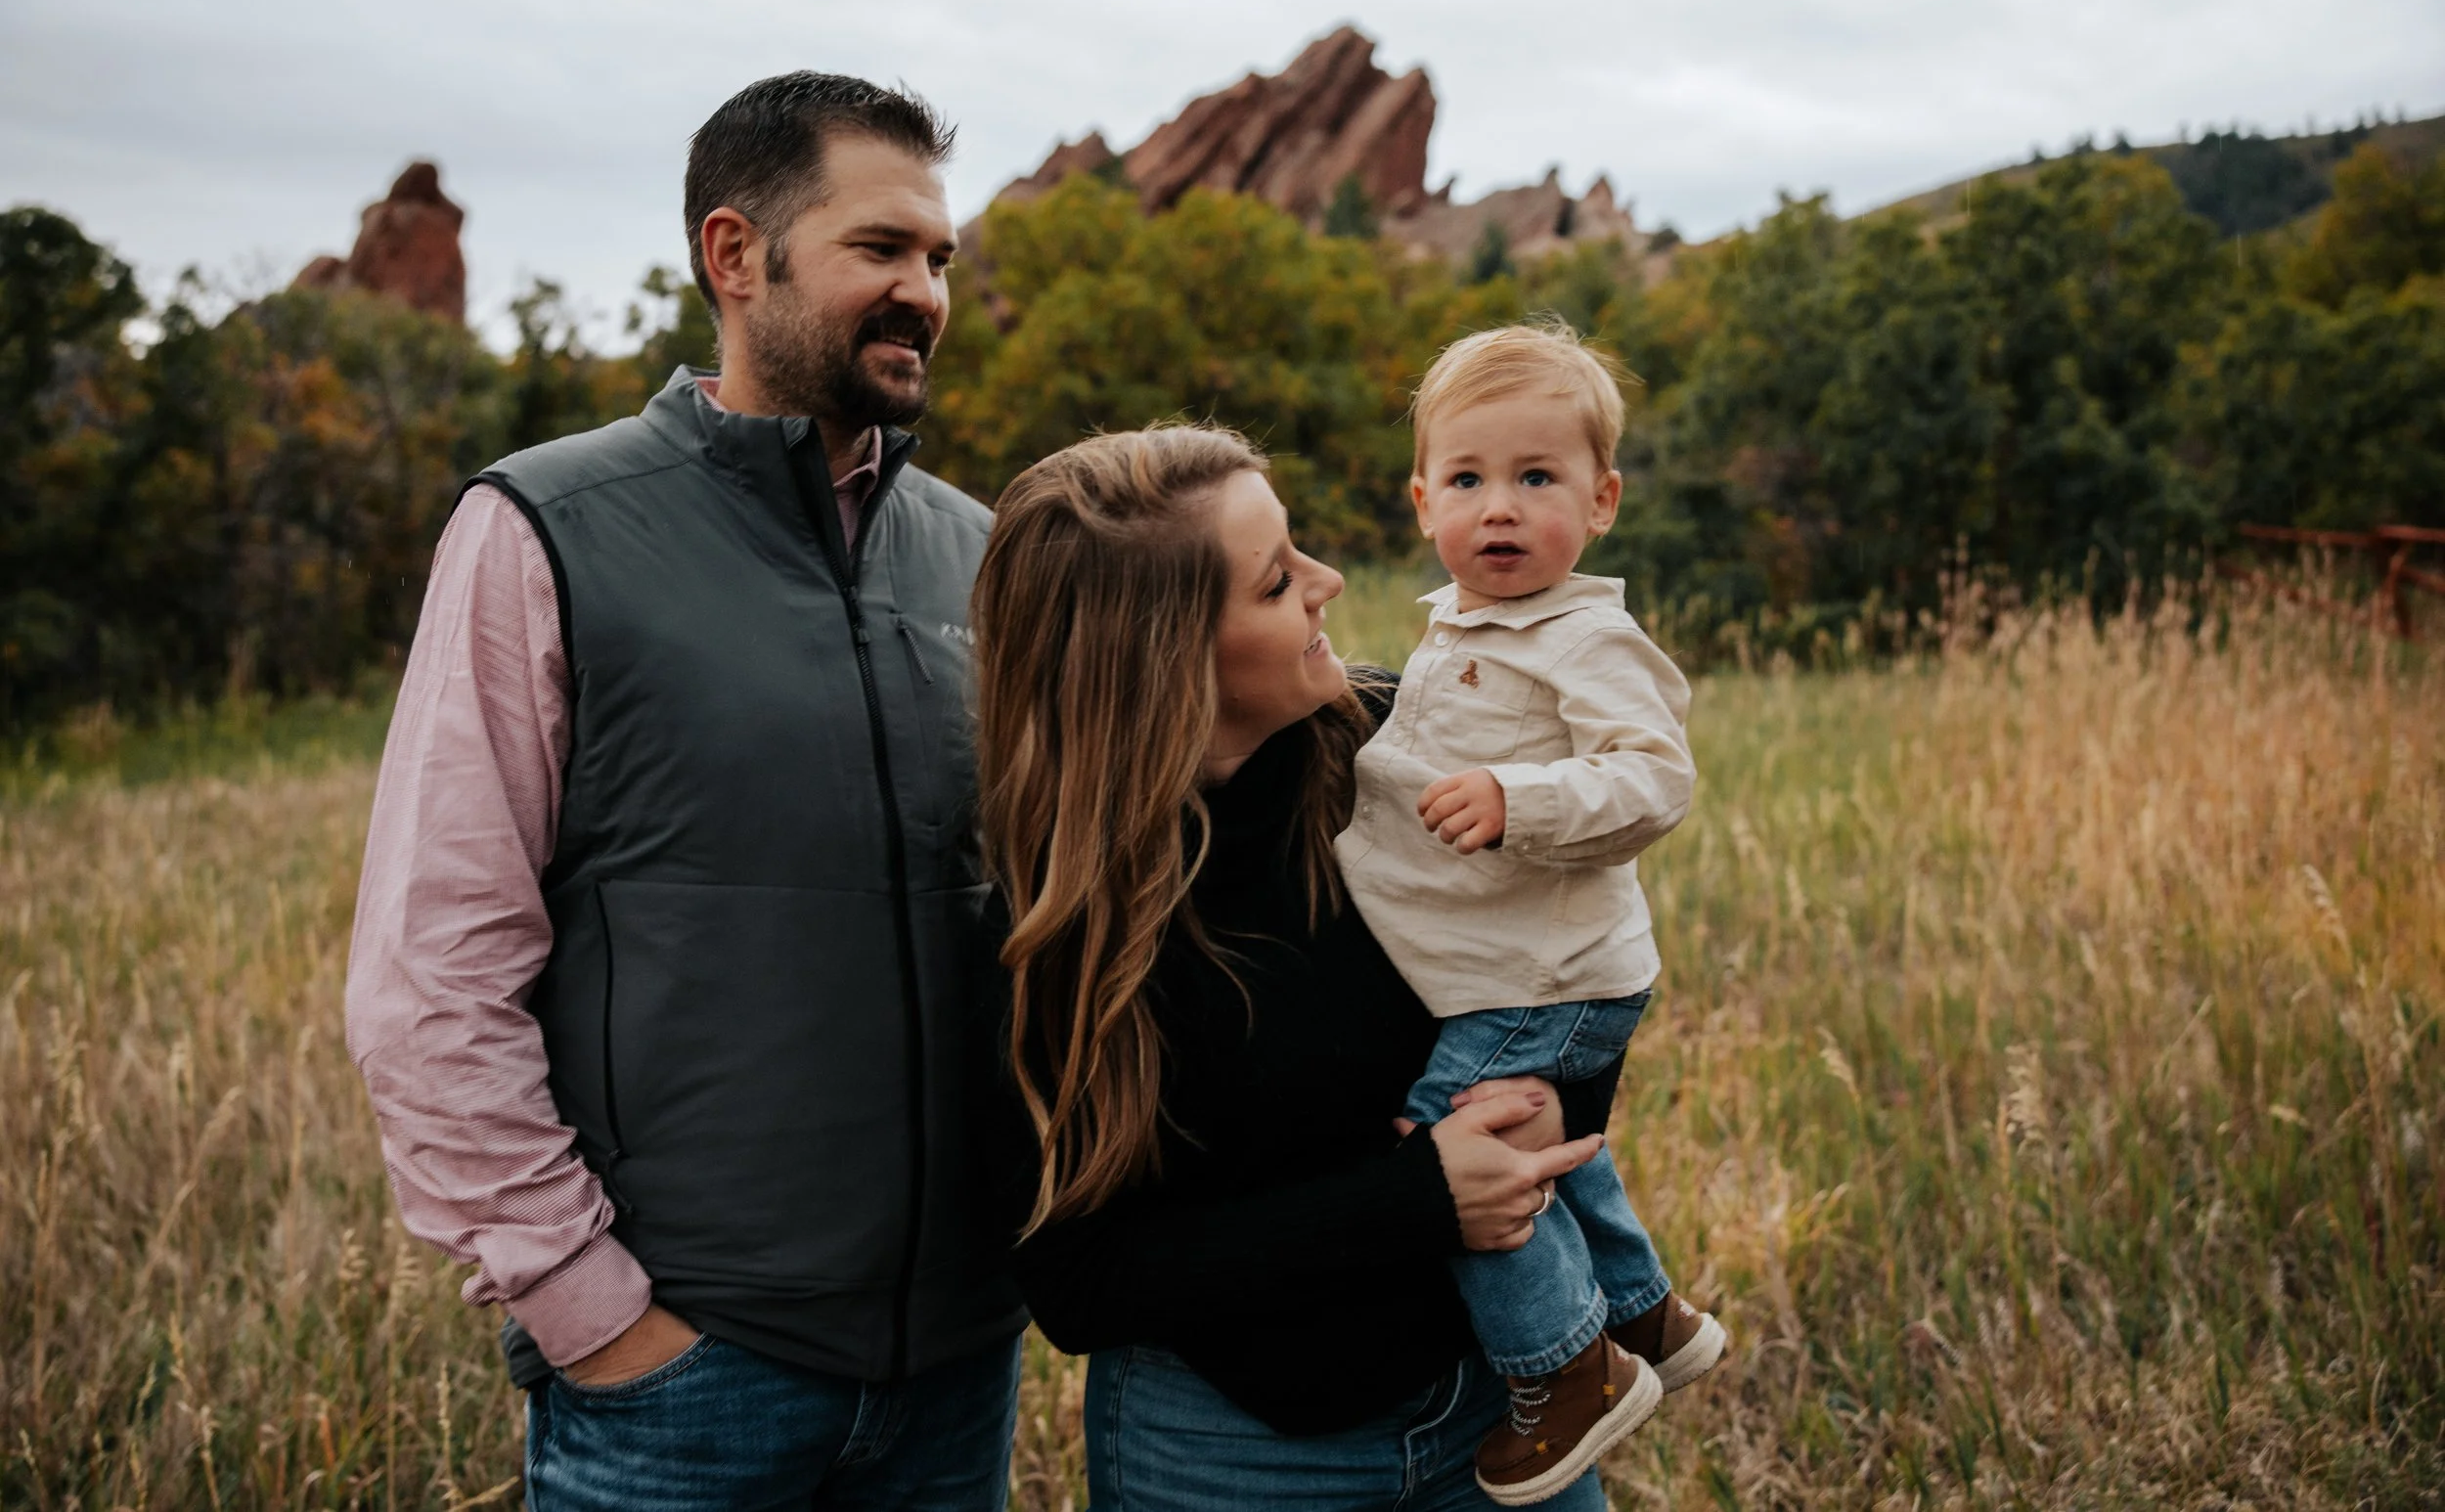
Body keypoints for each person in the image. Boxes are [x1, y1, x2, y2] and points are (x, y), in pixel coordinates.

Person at [344, 72, 1025, 1510]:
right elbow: (431, 969)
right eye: (880, 250)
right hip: (686, 1381)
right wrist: (594, 1315)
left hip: (960, 1373)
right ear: (735, 254)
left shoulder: (981, 552)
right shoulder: (547, 524)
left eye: (939, 259)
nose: (925, 292)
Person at [967, 423, 1633, 1512]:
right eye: (1278, 580)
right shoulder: (1063, 919)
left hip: (1505, 1416)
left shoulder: (1401, 756)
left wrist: (1539, 1108)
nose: (1328, 582)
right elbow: (1078, 1285)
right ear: (1165, 655)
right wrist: (1411, 1198)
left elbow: (1572, 984)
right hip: (1233, 1452)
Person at [1335, 322, 1724, 1505]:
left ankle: (1567, 1371)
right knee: (1549, 1139)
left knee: (1462, 1140)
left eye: (1536, 478)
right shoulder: (1459, 625)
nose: (1497, 508)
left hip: (1544, 972)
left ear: (1601, 501)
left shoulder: (1586, 635)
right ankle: (1647, 1310)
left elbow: (1656, 776)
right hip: (1506, 966)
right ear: (1420, 501)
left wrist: (1522, 796)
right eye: (1468, 478)